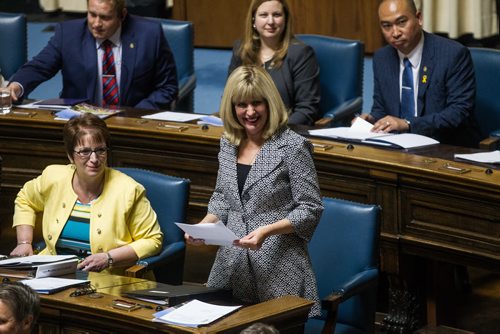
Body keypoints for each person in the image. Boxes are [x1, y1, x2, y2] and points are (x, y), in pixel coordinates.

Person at [185, 65, 323, 316]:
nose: (249, 112)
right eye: (241, 104)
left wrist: (267, 231)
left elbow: (311, 209)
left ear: (269, 103)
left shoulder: (292, 146)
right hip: (232, 264)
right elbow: (222, 197)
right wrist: (205, 225)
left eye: (257, 103)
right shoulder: (229, 142)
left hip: (279, 265)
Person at [9, 113, 163, 276]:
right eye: (85, 152)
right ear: (70, 156)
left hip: (109, 282)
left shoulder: (129, 190)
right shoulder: (53, 177)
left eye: (100, 150)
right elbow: (25, 199)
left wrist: (109, 258)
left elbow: (153, 240)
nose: (94, 159)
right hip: (52, 274)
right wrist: (24, 242)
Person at [6, 0, 178, 110]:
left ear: (122, 15)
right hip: (81, 124)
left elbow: (168, 87)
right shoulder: (68, 34)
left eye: (105, 17)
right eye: (92, 14)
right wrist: (16, 86)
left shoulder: (150, 35)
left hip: (132, 123)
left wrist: (133, 113)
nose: (96, 24)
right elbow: (39, 66)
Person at [360, 0, 480, 147]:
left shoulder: (453, 55)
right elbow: (381, 108)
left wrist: (408, 124)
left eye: (402, 22)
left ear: (419, 18)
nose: (395, 33)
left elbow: (458, 113)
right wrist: (372, 120)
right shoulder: (382, 58)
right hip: (397, 149)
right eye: (387, 26)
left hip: (445, 146)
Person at [228, 0, 320, 125]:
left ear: (285, 19)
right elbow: (230, 97)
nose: (270, 21)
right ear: (253, 19)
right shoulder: (241, 49)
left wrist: (276, 133)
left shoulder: (300, 53)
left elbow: (307, 108)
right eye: (264, 15)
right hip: (245, 128)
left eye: (276, 15)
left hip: (282, 130)